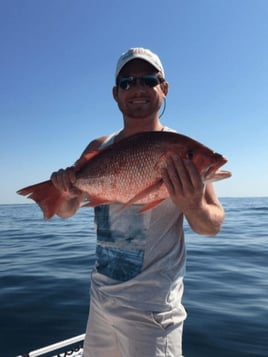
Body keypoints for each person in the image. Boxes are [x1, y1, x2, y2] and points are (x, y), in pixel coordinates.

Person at [51, 48, 225, 357]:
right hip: (100, 300)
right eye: (128, 82)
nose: (138, 88)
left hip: (154, 312)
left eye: (148, 79)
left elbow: (211, 225)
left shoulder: (182, 149)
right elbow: (66, 210)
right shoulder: (98, 147)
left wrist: (194, 205)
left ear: (164, 87)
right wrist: (64, 190)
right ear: (116, 94)